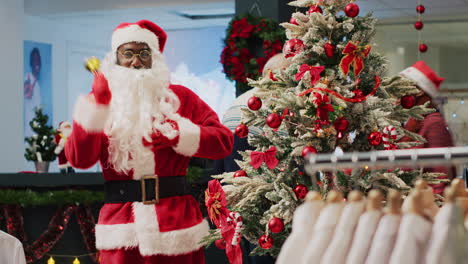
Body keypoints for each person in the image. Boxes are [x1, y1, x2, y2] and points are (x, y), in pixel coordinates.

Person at [65, 20, 233, 264]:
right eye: (128, 53)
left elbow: (223, 143)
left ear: (155, 59)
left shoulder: (180, 98)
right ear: (115, 59)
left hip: (176, 224)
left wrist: (177, 133)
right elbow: (80, 159)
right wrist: (96, 105)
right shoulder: (102, 103)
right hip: (122, 229)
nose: (136, 61)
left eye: (144, 53)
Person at [213, 53, 290, 264]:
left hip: (238, 201)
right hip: (272, 205)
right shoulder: (279, 108)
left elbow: (221, 162)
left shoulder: (235, 105)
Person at [400, 61, 455, 194]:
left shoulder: (434, 123)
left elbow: (440, 176)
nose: (399, 92)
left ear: (420, 91)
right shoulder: (412, 123)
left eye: (403, 86)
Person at [24, 48, 42, 137]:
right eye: (34, 60)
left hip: (37, 125)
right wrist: (34, 80)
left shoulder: (37, 82)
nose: (37, 63)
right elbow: (27, 94)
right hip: (30, 125)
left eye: (38, 60)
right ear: (31, 62)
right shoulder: (27, 77)